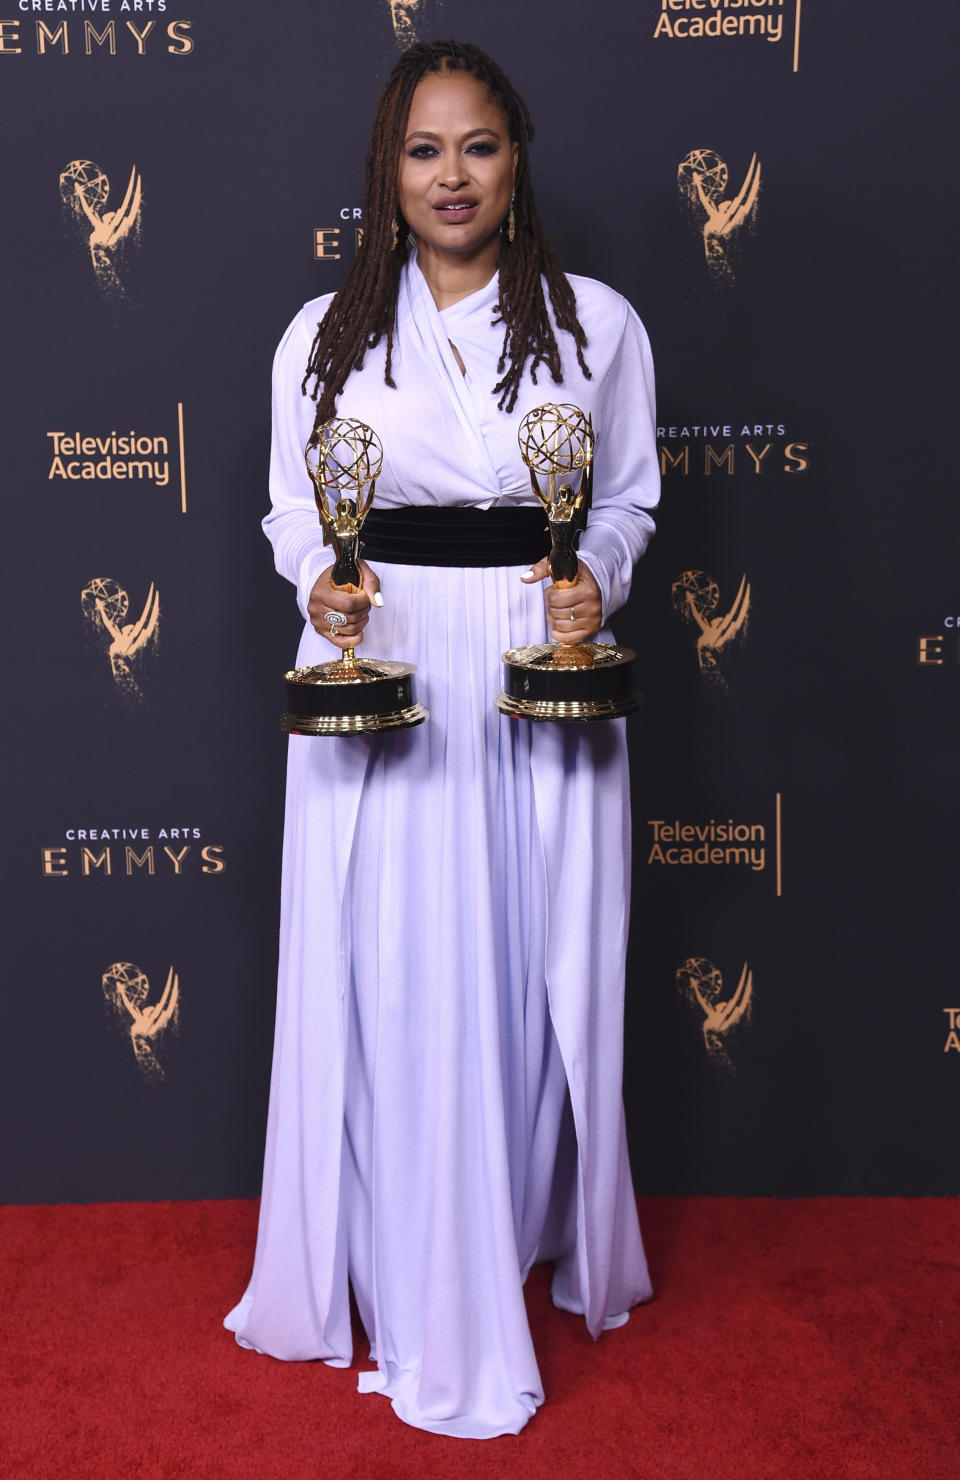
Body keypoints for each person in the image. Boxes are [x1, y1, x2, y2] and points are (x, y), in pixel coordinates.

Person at [225, 39, 659, 1440]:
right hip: (386, 655)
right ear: (387, 174)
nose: (451, 176)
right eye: (423, 151)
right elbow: (299, 508)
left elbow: (629, 499)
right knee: (397, 972)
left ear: (516, 156)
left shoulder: (599, 323)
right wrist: (321, 586)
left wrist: (599, 572)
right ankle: (404, 1260)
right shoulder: (325, 333)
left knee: (532, 964)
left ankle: (516, 1232)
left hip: (539, 655)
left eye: (476, 146)